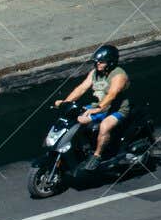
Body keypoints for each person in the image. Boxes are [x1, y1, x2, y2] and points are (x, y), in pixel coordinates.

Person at [55, 44, 130, 172]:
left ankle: (97, 155)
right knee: (74, 117)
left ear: (111, 62)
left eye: (101, 62)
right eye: (96, 62)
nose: (98, 64)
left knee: (104, 126)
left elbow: (112, 94)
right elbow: (81, 88)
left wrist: (99, 108)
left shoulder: (119, 75)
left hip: (116, 109)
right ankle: (83, 147)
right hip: (98, 106)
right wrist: (66, 102)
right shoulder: (94, 73)